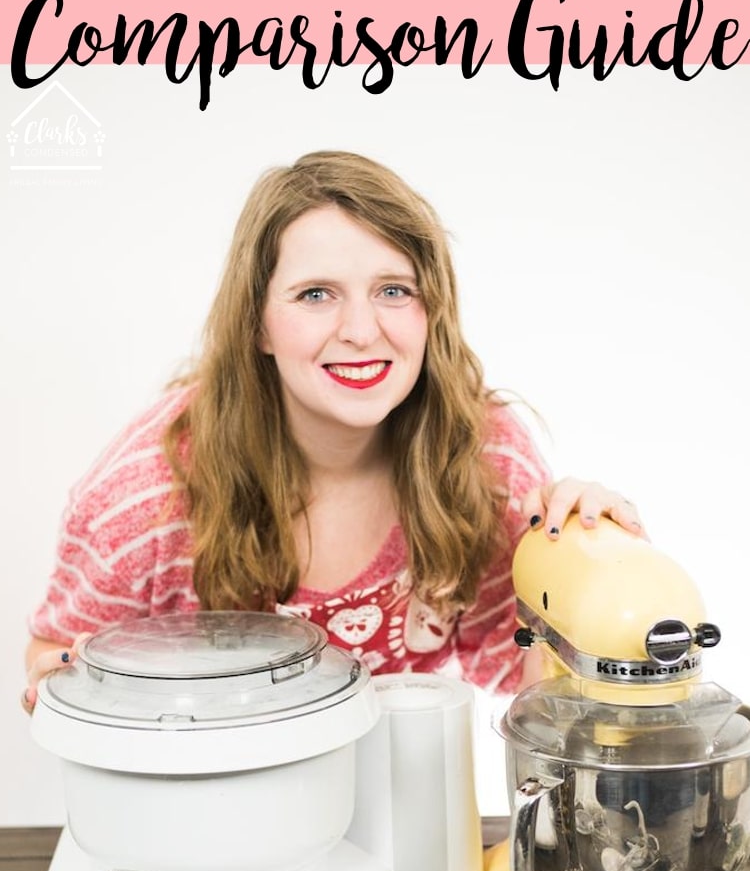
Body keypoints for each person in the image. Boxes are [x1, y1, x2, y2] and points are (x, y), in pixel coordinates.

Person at [23, 151, 642, 710]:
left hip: (393, 808)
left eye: (393, 290)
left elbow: (532, 682)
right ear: (258, 325)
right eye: (316, 293)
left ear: (433, 312)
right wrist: (69, 692)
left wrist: (587, 571)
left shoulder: (484, 458)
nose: (361, 330)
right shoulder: (141, 499)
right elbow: (54, 661)